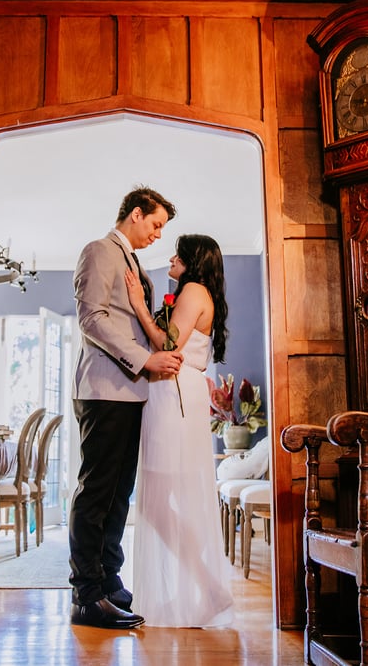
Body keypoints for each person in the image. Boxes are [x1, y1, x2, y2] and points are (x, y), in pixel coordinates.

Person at [69, 186, 183, 630]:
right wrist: (144, 359)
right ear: (135, 214)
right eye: (155, 224)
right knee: (96, 491)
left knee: (119, 494)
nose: (157, 234)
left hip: (130, 392)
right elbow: (92, 318)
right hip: (102, 390)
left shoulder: (134, 263)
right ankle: (86, 595)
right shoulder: (99, 250)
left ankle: (109, 581)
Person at [124, 233, 235, 628]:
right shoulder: (199, 293)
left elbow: (168, 346)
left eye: (179, 253)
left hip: (175, 396)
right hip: (173, 394)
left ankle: (209, 586)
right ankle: (204, 587)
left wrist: (138, 304)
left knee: (158, 500)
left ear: (193, 261)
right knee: (159, 502)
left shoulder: (192, 291)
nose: (172, 257)